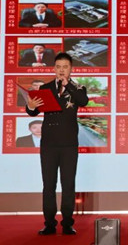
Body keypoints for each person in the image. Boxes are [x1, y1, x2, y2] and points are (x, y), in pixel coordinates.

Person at [26, 52, 89, 235]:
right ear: (54, 69)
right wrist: (30, 106)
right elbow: (33, 112)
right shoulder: (45, 88)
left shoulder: (78, 88)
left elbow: (83, 101)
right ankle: (49, 223)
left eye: (65, 67)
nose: (61, 70)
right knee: (49, 185)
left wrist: (68, 84)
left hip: (69, 143)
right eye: (58, 67)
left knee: (68, 184)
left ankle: (68, 223)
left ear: (71, 69)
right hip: (49, 144)